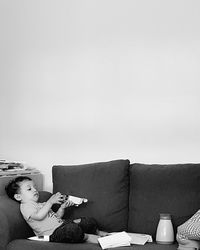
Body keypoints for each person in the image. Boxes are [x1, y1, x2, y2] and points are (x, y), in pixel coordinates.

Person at [5, 176, 108, 244]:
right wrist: (50, 202)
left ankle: (98, 232)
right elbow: (38, 216)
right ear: (18, 197)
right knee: (72, 230)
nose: (35, 190)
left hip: (62, 225)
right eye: (29, 189)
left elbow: (56, 217)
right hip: (53, 234)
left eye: (35, 187)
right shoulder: (26, 206)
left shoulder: (41, 204)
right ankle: (86, 237)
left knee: (87, 221)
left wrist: (62, 208)